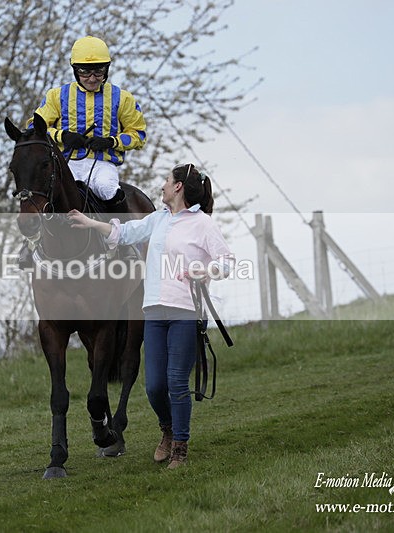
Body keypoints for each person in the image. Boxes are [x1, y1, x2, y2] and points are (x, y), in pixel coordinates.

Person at [67, 163, 234, 469]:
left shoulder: (202, 224)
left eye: (167, 181)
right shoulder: (158, 219)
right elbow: (125, 232)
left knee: (176, 383)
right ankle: (167, 430)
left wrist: (204, 269)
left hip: (184, 311)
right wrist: (89, 223)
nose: (162, 185)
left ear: (179, 187)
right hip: (153, 311)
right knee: (154, 386)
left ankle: (180, 448)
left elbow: (226, 262)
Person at [19, 36, 147, 269]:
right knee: (46, 192)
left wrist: (111, 141)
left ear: (106, 70)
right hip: (68, 163)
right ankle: (29, 244)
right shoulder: (56, 96)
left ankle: (123, 244)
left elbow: (139, 135)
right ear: (75, 70)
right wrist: (62, 136)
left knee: (108, 188)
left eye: (98, 73)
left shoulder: (122, 98)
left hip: (103, 164)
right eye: (85, 73)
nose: (91, 78)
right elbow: (33, 128)